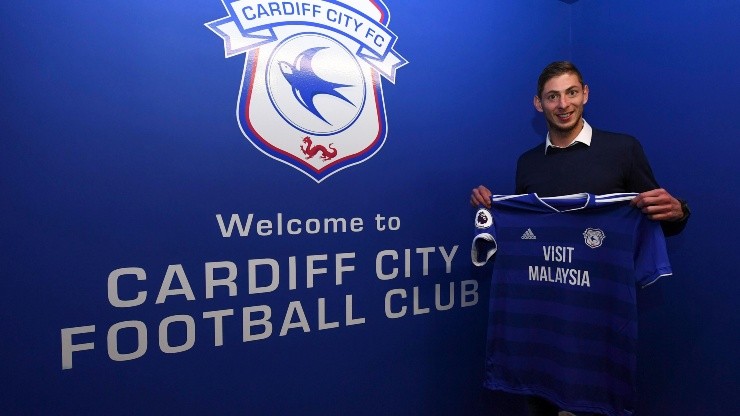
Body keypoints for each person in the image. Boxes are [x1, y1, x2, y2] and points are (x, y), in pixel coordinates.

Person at [470, 61, 690, 416]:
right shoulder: (527, 163)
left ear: (585, 94)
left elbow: (657, 219)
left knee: (595, 406)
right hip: (541, 327)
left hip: (596, 324)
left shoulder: (623, 149)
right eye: (552, 96)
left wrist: (679, 210)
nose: (563, 104)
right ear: (538, 104)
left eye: (571, 92)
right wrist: (492, 210)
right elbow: (529, 234)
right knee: (539, 404)